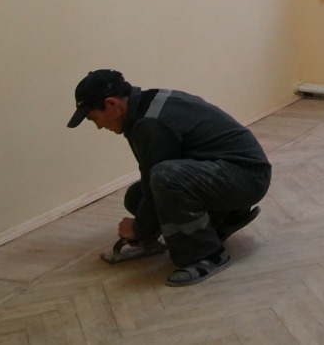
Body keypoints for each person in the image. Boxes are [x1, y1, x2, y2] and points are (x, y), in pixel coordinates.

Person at [67, 68, 271, 286]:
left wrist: (138, 229)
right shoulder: (145, 106)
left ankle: (208, 255)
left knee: (165, 177)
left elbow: (160, 176)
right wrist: (143, 228)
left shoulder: (149, 123)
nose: (99, 126)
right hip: (230, 173)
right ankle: (223, 217)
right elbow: (150, 183)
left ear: (111, 104)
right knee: (136, 196)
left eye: (94, 118)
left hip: (248, 178)